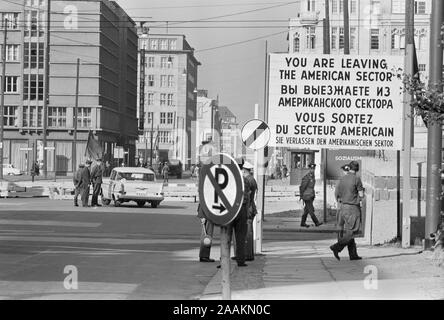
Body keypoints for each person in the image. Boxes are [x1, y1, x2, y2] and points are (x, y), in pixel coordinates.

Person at [330, 161, 364, 261]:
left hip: (343, 207)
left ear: (349, 168)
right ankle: (336, 247)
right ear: (357, 169)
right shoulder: (357, 179)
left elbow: (337, 194)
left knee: (350, 231)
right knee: (353, 231)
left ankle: (353, 255)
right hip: (353, 208)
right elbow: (361, 195)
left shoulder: (342, 179)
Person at [228, 158, 251, 267]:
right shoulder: (244, 180)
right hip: (241, 209)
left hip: (229, 211)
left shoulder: (228, 178)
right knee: (240, 237)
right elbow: (247, 197)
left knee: (226, 237)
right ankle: (240, 260)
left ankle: (224, 260)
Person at [299, 163, 323, 228]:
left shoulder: (313, 176)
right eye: (311, 169)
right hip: (307, 196)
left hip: (311, 195)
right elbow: (302, 187)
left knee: (306, 210)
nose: (312, 170)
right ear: (309, 169)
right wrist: (301, 195)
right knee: (311, 210)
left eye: (313, 169)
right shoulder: (307, 177)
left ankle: (302, 222)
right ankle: (316, 222)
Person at [243, 161, 257, 262]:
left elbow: (247, 196)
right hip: (250, 207)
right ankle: (247, 254)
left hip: (248, 208)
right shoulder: (251, 179)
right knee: (247, 231)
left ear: (244, 170)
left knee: (247, 232)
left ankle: (247, 255)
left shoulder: (248, 180)